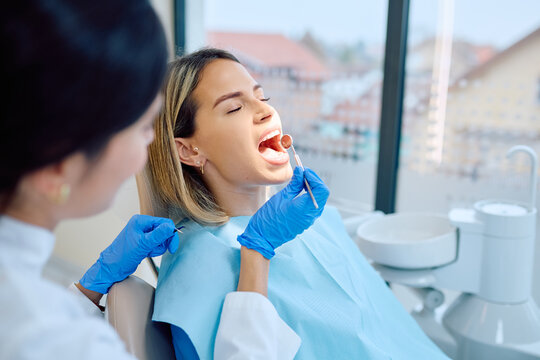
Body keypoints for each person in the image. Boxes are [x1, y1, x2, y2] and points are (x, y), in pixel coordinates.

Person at [0, 2, 315, 359]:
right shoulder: (57, 339)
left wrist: (89, 287)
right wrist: (256, 253)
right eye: (140, 127)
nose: (151, 147)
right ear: (59, 160)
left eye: (262, 97)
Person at [145, 48, 451, 359]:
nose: (266, 112)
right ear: (188, 151)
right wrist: (257, 250)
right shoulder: (199, 264)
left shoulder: (308, 221)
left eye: (262, 99)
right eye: (235, 108)